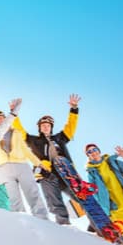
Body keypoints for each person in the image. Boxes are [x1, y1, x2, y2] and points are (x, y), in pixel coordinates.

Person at [23, 94, 81, 225]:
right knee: (55, 204)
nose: (45, 127)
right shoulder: (33, 141)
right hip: (47, 175)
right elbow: (20, 132)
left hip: (66, 173)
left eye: (48, 125)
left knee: (83, 198)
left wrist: (74, 109)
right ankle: (64, 226)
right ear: (39, 127)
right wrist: (14, 115)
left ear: (51, 127)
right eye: (43, 125)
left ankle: (97, 224)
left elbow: (70, 126)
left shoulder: (60, 138)